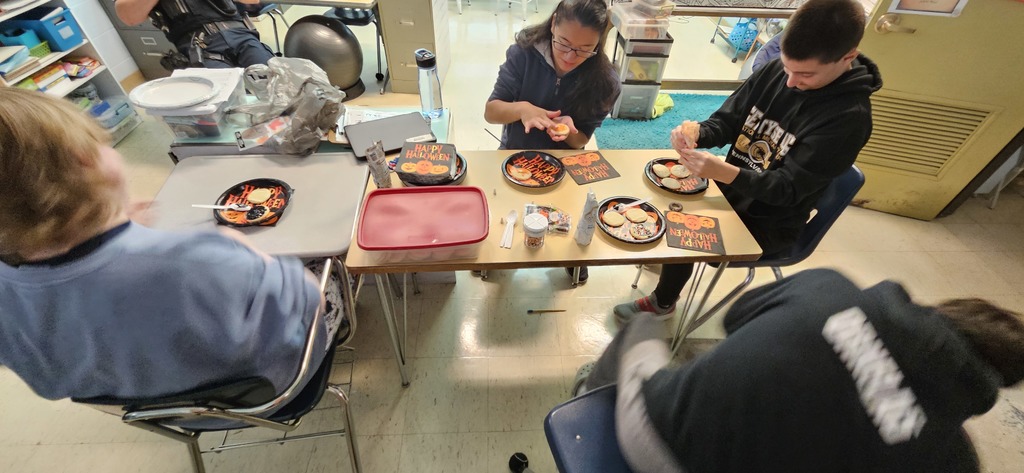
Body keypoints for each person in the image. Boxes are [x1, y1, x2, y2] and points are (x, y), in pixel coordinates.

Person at [0, 88, 334, 413]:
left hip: (157, 411)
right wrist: (242, 246)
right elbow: (308, 298)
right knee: (324, 267)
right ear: (85, 161)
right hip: (275, 393)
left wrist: (128, 232)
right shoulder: (200, 258)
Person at [577, 268, 1024, 472]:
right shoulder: (955, 460)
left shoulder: (831, 288)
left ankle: (588, 395)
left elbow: (736, 321)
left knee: (643, 327)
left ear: (945, 313)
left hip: (657, 437)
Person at [615, 0, 882, 321]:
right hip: (732, 192)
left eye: (806, 74)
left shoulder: (848, 120)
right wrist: (700, 133)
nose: (790, 82)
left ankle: (663, 302)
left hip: (769, 220)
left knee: (680, 225)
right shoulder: (777, 71)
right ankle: (674, 260)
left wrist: (723, 172)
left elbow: (788, 190)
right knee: (666, 196)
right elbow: (728, 121)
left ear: (848, 57)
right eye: (786, 67)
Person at [486, 0, 620, 284]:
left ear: (599, 42)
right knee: (506, 214)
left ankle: (568, 256)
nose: (571, 57)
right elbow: (492, 111)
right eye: (563, 43)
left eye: (585, 49)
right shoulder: (523, 53)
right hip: (514, 152)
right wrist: (523, 109)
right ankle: (496, 254)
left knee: (570, 217)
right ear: (553, 22)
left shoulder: (605, 81)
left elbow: (582, 139)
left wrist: (570, 132)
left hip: (566, 162)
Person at [115, 0, 275, 69]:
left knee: (280, 85)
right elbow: (129, 16)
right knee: (227, 107)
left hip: (241, 35)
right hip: (199, 48)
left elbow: (252, 1)